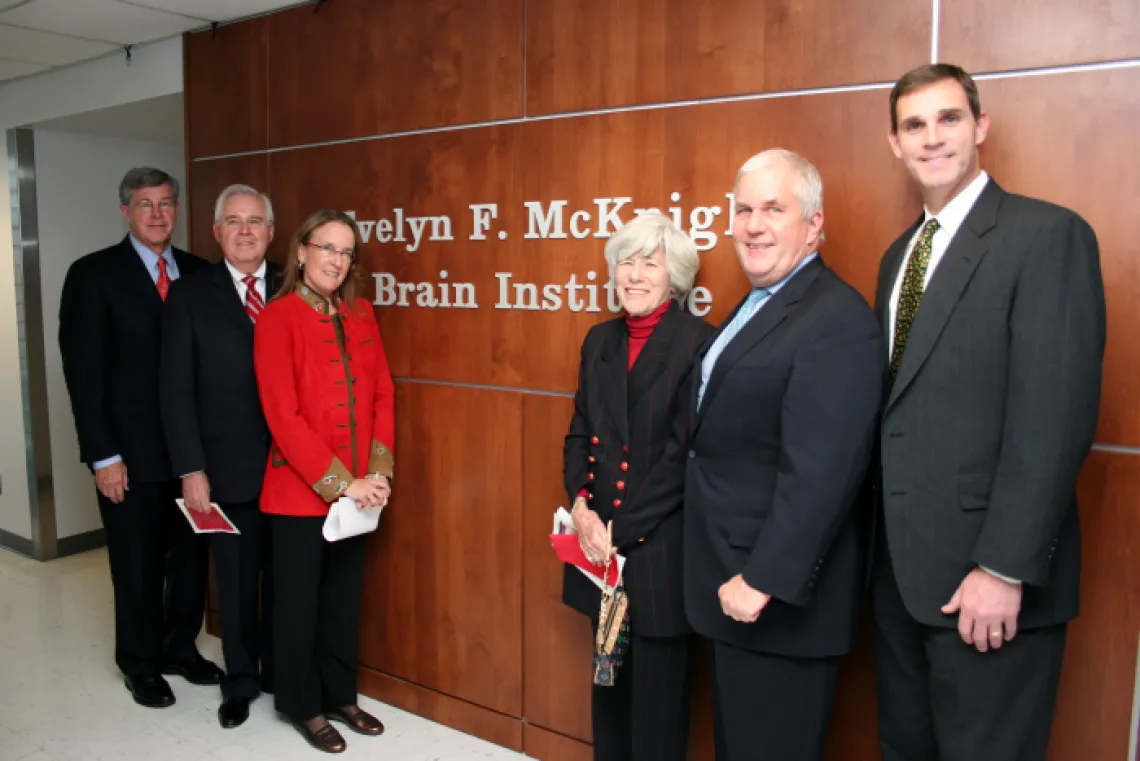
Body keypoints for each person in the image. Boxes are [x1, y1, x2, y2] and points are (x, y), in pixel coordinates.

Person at [871, 63, 1106, 761]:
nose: (932, 137)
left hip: (989, 586)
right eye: (915, 124)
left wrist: (1003, 567)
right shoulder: (898, 257)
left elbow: (1055, 418)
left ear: (981, 127)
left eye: (948, 118)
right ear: (895, 143)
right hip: (900, 582)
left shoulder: (1046, 237)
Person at [683, 150, 886, 761]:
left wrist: (763, 577)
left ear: (815, 224)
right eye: (744, 209)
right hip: (731, 586)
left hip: (774, 600)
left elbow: (824, 472)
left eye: (774, 208)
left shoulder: (836, 318)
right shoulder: (754, 306)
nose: (753, 224)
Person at [58, 167, 219, 708]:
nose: (157, 213)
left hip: (191, 455)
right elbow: (84, 375)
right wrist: (103, 456)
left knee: (192, 560)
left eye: (166, 203)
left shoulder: (199, 273)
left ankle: (181, 648)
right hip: (129, 456)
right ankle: (140, 661)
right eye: (145, 204)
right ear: (125, 211)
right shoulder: (93, 275)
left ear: (177, 210)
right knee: (137, 563)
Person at [563, 212, 712, 761]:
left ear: (673, 276)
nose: (635, 274)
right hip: (599, 552)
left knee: (659, 702)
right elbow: (580, 430)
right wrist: (580, 505)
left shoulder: (699, 343)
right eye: (626, 261)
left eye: (650, 263)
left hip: (657, 554)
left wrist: (617, 528)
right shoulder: (599, 339)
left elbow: (682, 457)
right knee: (609, 688)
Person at [254, 209, 395, 754]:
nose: (336, 260)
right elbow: (282, 416)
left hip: (361, 492)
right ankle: (302, 704)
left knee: (342, 600)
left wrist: (377, 474)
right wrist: (344, 484)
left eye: (345, 252)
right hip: (298, 494)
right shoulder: (278, 318)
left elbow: (383, 393)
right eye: (327, 248)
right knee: (298, 606)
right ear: (301, 252)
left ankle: (341, 694)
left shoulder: (362, 315)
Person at [160, 184, 282, 728]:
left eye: (255, 221)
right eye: (233, 221)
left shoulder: (294, 284)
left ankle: (283, 674)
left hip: (294, 471)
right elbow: (174, 390)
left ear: (272, 232)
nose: (245, 230)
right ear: (216, 232)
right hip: (223, 471)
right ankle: (240, 681)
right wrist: (191, 470)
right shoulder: (189, 294)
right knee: (233, 586)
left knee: (287, 582)